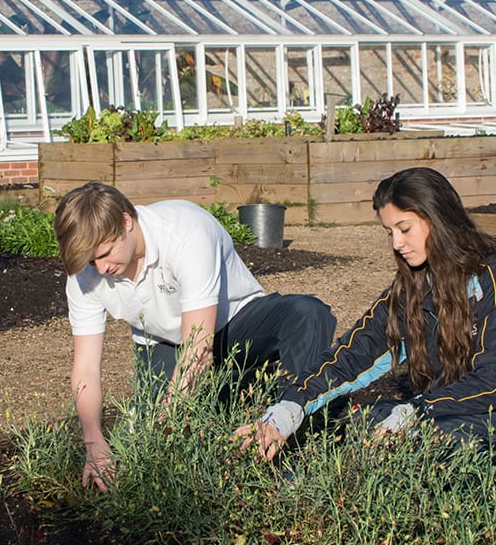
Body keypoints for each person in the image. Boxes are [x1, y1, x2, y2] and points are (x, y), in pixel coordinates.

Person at [236, 167, 496, 461]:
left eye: (404, 229)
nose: (396, 243)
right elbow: (353, 356)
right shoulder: (413, 286)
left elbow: (493, 383)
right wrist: (287, 410)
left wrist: (416, 413)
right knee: (357, 428)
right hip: (443, 412)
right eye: (389, 232)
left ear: (438, 219)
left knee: (433, 442)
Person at [54, 181, 337, 491]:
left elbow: (198, 347)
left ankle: (298, 438)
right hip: (164, 344)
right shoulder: (85, 273)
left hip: (235, 327)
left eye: (105, 253)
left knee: (308, 313)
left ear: (126, 221)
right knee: (140, 456)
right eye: (91, 260)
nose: (101, 268)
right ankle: (234, 400)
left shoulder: (186, 232)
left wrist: (167, 419)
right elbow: (86, 369)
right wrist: (93, 442)